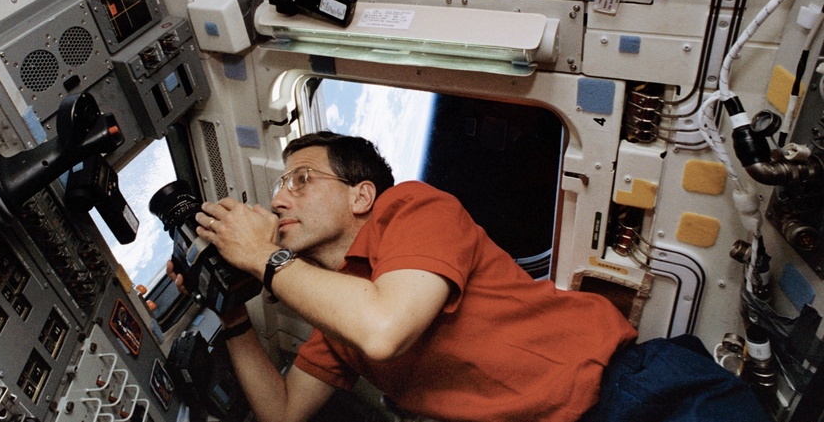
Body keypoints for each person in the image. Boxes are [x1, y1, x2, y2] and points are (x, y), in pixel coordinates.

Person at [167, 131, 770, 422]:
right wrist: (232, 312)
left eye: (301, 179)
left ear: (361, 195)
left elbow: (385, 327)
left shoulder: (413, 208)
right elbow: (282, 415)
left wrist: (263, 258)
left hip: (632, 397)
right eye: (280, 184)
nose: (279, 198)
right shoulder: (339, 310)